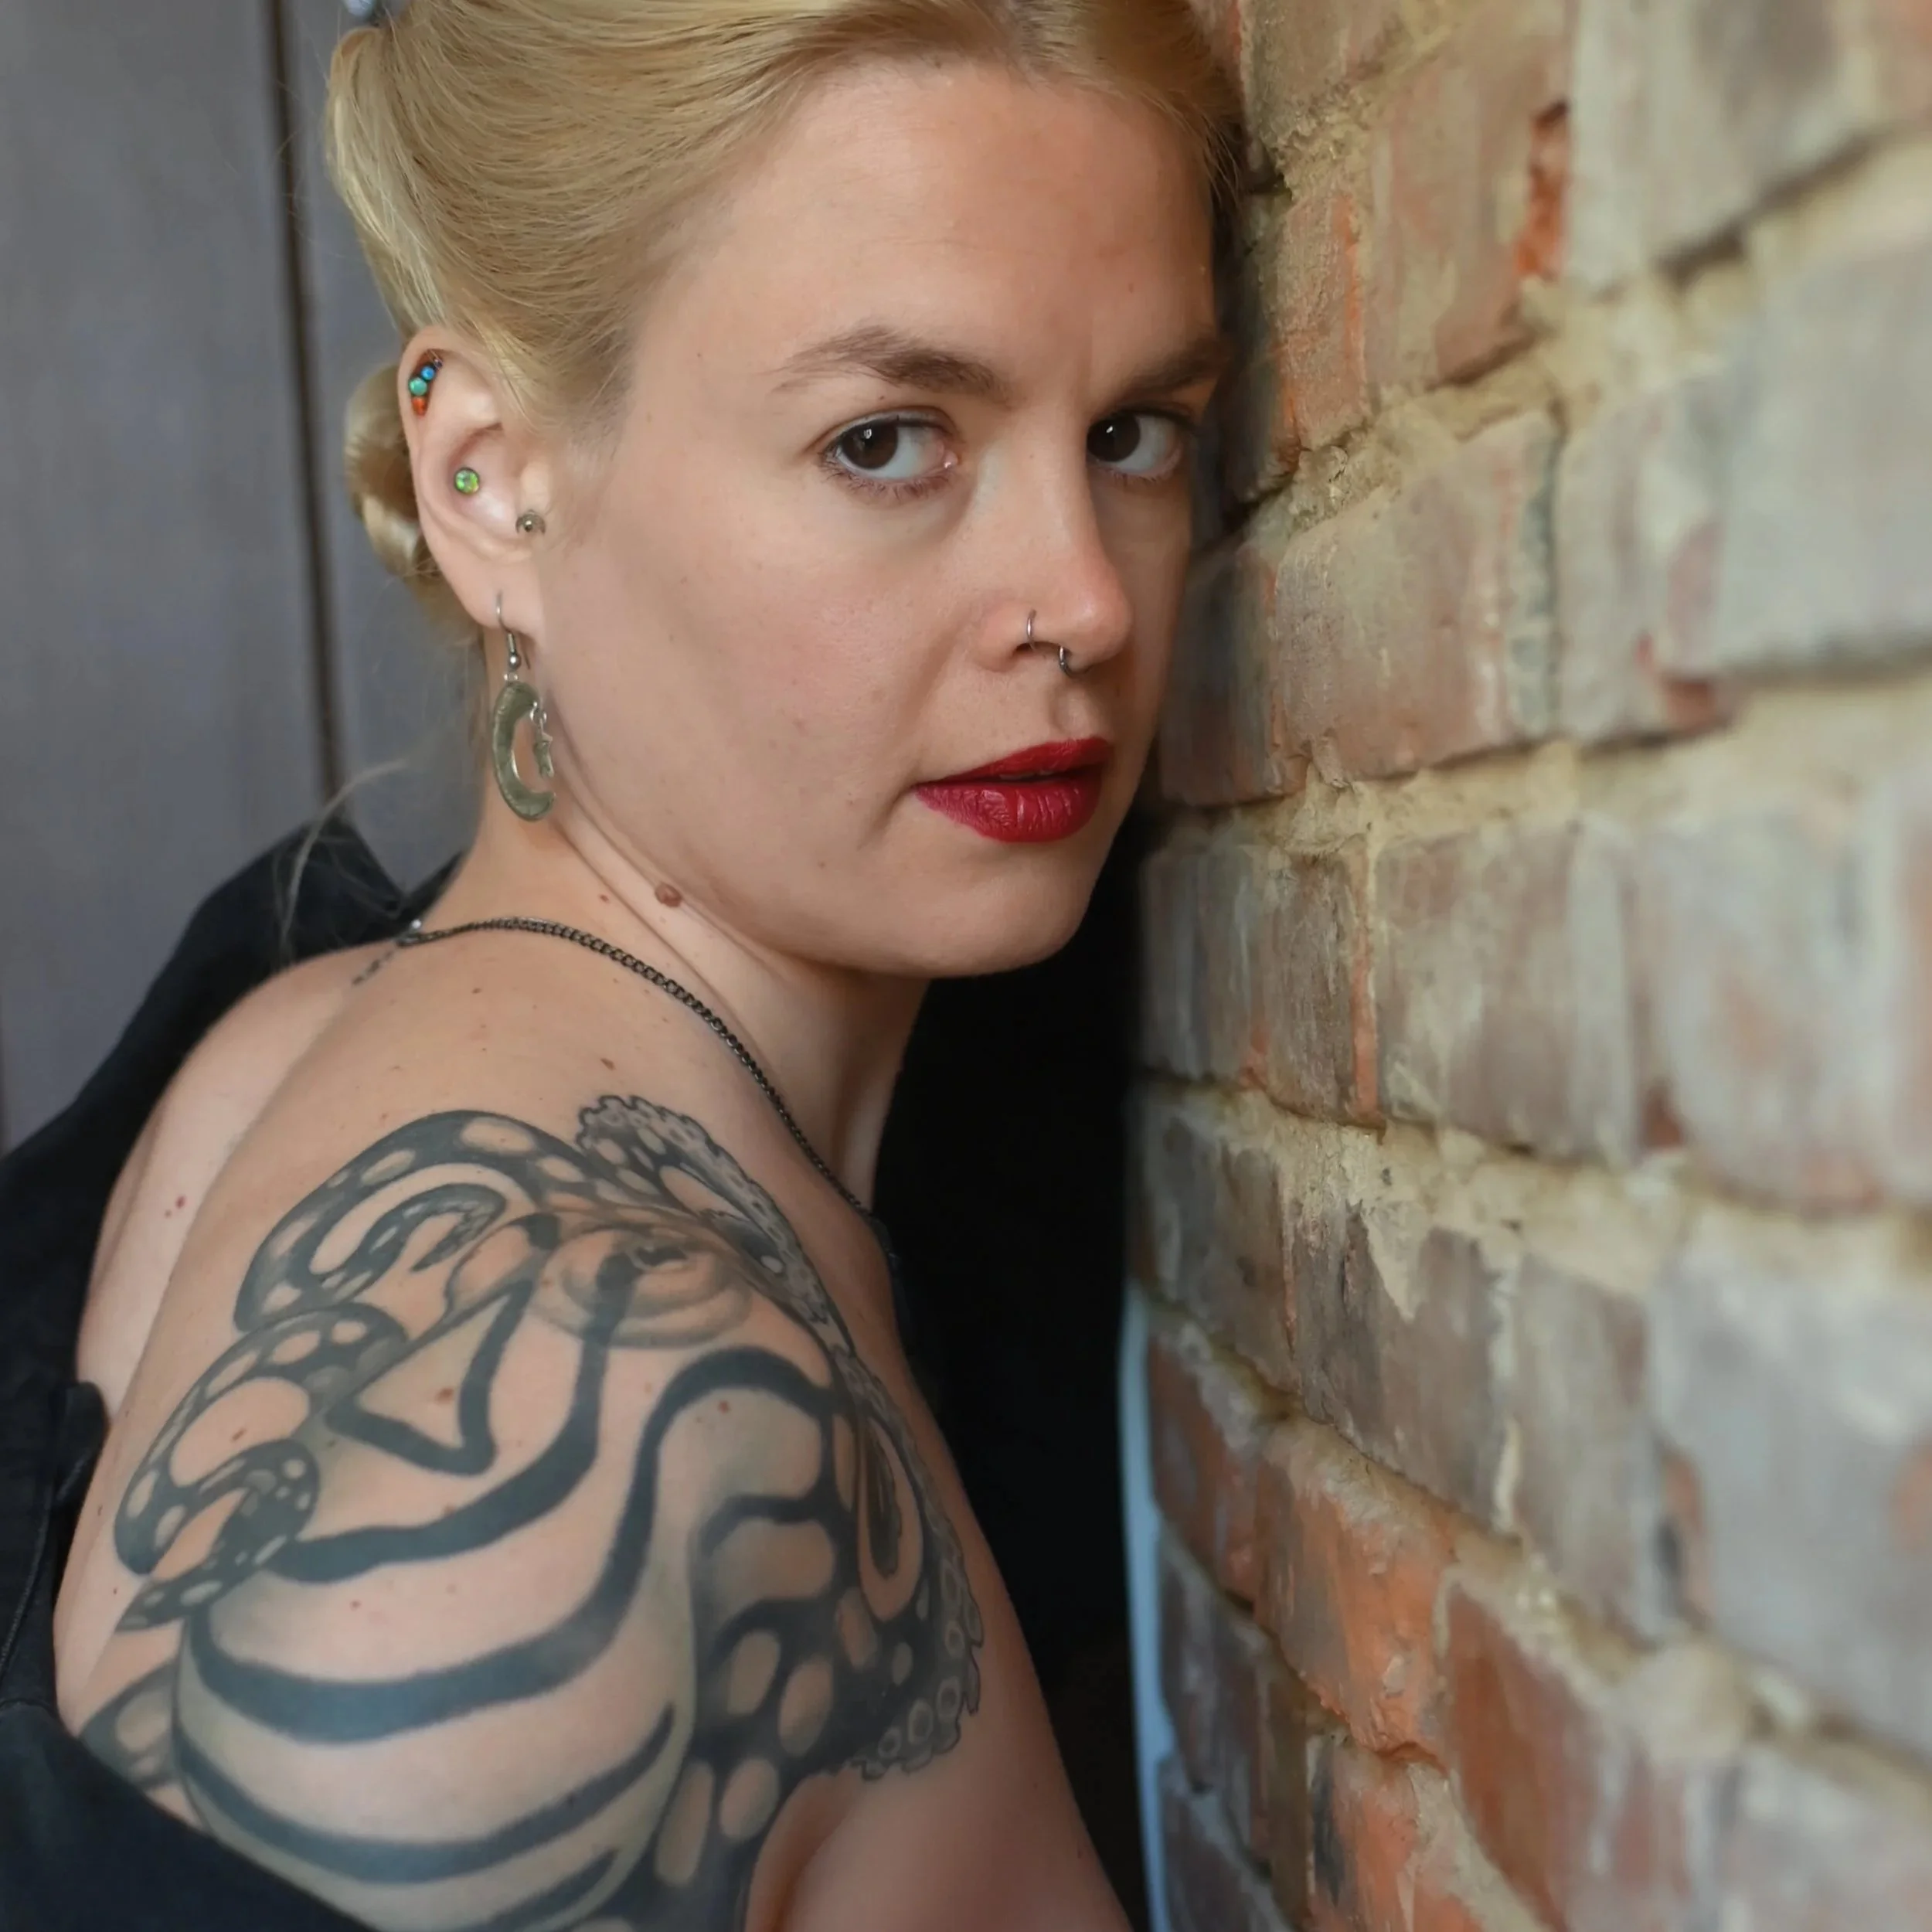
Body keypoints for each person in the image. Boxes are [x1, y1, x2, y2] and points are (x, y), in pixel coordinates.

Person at [29, 2, 1236, 1926]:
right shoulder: (597, 1451)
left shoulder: (308, 1019)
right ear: (493, 483)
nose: (1083, 598)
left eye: (1132, 432)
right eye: (887, 439)